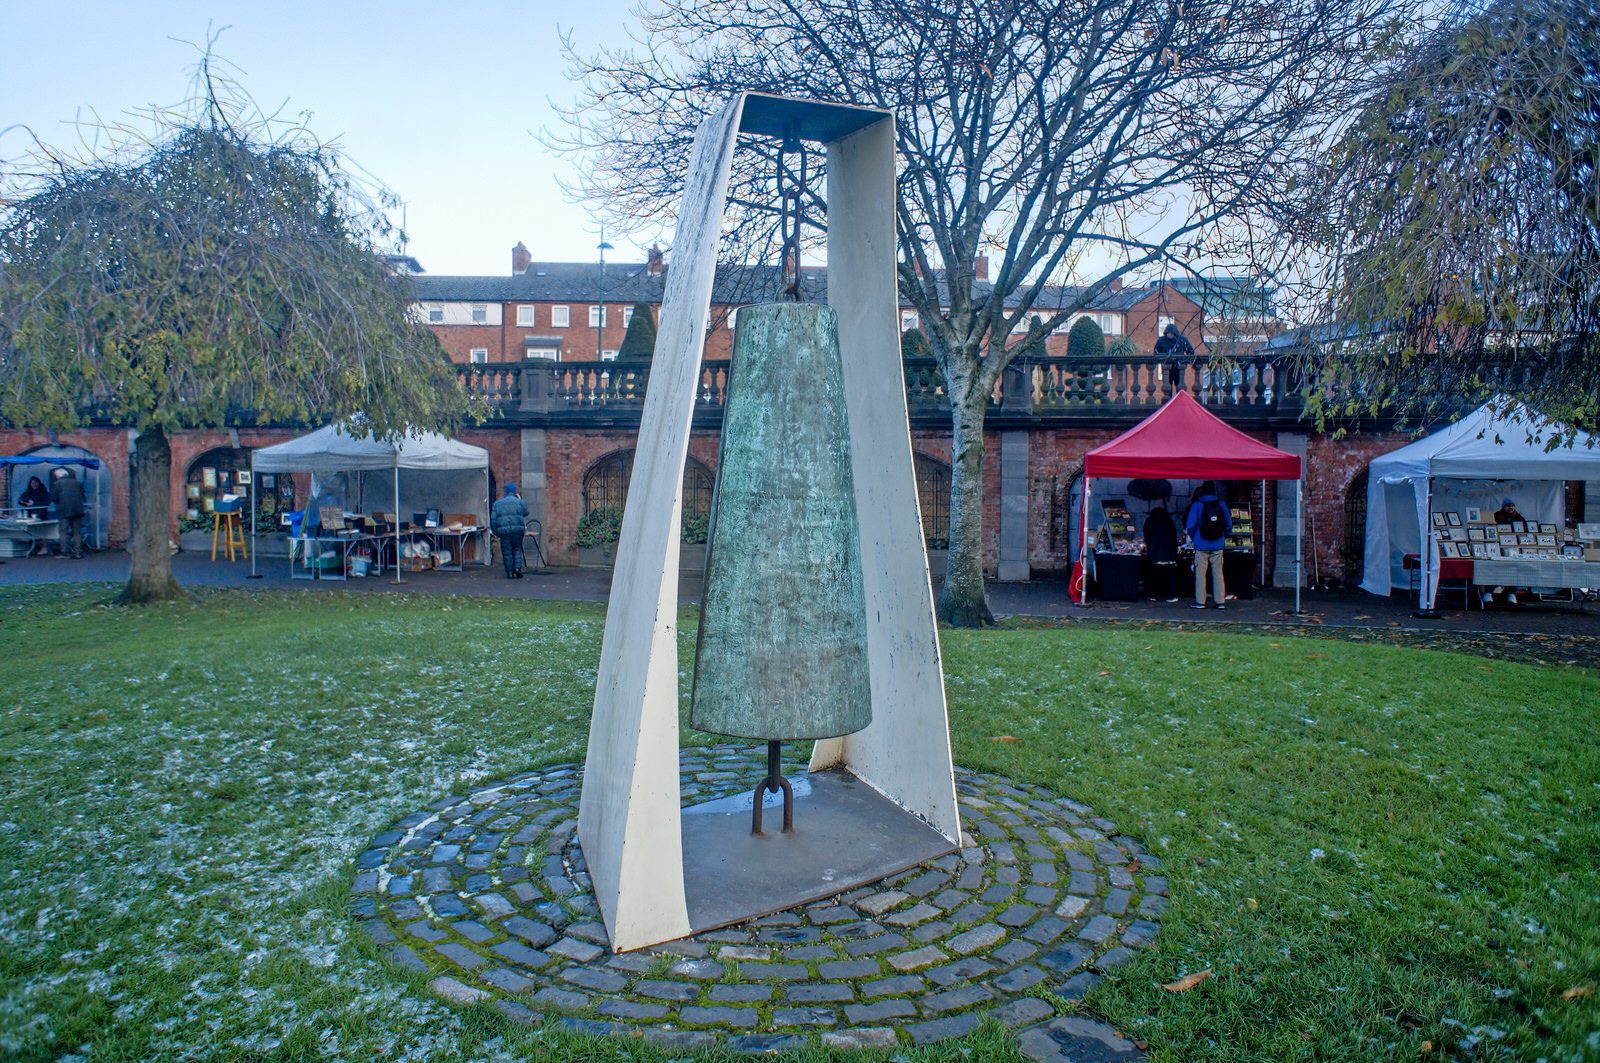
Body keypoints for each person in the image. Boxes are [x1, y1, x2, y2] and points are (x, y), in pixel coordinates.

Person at [1185, 481, 1231, 609]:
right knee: (1218, 573)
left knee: (1200, 574)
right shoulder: (1221, 504)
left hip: (1201, 544)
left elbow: (1190, 526)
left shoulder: (1197, 505)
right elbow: (1228, 523)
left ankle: (1200, 601)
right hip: (1217, 544)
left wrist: (1195, 539)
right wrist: (1223, 537)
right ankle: (1220, 601)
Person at [491, 482, 530, 578]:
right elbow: (525, 513)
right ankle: (517, 568)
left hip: (504, 532)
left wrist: (495, 532)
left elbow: (493, 520)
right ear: (514, 492)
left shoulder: (497, 504)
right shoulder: (520, 502)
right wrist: (520, 499)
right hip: (518, 531)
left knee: (507, 552)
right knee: (517, 549)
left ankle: (509, 573)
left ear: (506, 492)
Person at [1143, 505, 1180, 602]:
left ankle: (1153, 595)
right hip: (1169, 552)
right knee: (1170, 576)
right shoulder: (1169, 521)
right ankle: (1171, 596)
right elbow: (1174, 537)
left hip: (1155, 552)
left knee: (1154, 575)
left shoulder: (1150, 521)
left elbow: (1147, 536)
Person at [50, 468, 86, 559]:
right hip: (78, 510)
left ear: (58, 476)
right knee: (77, 532)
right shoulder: (77, 483)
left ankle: (63, 552)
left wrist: (59, 502)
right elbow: (82, 494)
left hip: (64, 511)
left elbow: (53, 497)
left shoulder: (57, 484)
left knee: (63, 532)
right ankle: (77, 552)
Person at [18, 476, 52, 557]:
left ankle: (44, 547)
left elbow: (46, 503)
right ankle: (32, 547)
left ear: (39, 483)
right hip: (29, 515)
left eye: (36, 483)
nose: (34, 484)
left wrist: (34, 503)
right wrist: (25, 503)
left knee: (43, 531)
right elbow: (21, 501)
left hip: (41, 515)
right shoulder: (27, 493)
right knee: (31, 531)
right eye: (32, 483)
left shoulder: (44, 493)